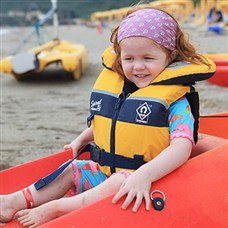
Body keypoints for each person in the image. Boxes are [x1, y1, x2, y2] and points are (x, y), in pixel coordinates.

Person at [0, 7, 215, 227]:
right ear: (119, 57)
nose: (138, 66)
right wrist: (83, 138)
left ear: (170, 56)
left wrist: (145, 175)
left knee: (119, 181)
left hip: (145, 181)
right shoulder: (126, 89)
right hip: (105, 175)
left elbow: (182, 147)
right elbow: (112, 121)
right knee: (71, 170)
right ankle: (14, 201)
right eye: (129, 58)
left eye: (148, 58)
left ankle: (60, 207)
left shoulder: (177, 103)